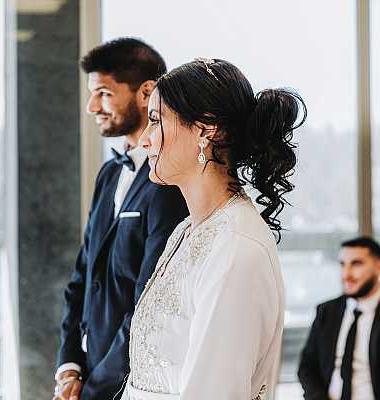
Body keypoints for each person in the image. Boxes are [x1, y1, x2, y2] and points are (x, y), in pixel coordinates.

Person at [119, 58, 307, 399]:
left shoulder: (237, 248)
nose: (144, 140)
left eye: (156, 121)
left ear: (207, 129)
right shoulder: (186, 231)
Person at [53, 38, 188, 400]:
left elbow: (150, 303)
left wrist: (97, 388)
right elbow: (82, 275)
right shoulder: (109, 174)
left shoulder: (170, 182)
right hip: (86, 374)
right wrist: (69, 365)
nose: (91, 106)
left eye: (104, 93)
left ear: (146, 92)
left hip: (129, 384)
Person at [298, 237, 380, 400]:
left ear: (379, 267)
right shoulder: (326, 312)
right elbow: (307, 366)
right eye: (342, 264)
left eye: (356, 264)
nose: (346, 274)